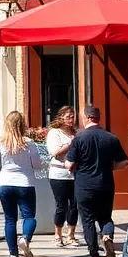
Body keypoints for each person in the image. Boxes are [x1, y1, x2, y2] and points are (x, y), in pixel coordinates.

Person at [65, 104, 128, 257]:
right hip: (105, 184)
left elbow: (68, 164)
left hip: (84, 185)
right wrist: (109, 167)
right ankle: (107, 236)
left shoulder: (79, 139)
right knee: (105, 217)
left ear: (85, 118)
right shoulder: (111, 138)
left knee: (87, 220)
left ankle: (94, 256)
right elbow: (123, 162)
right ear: (98, 118)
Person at [0, 110, 43, 257]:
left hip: (5, 182)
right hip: (25, 183)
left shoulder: (0, 142)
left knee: (9, 219)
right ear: (22, 125)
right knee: (29, 216)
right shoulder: (29, 143)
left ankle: (13, 254)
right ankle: (25, 238)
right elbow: (37, 164)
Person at [46, 105, 80, 248]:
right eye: (67, 117)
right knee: (62, 206)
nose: (71, 120)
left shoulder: (77, 132)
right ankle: (58, 234)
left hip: (75, 173)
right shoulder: (55, 133)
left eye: (72, 117)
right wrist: (70, 144)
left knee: (74, 205)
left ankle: (71, 234)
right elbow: (55, 152)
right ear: (61, 118)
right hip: (59, 173)